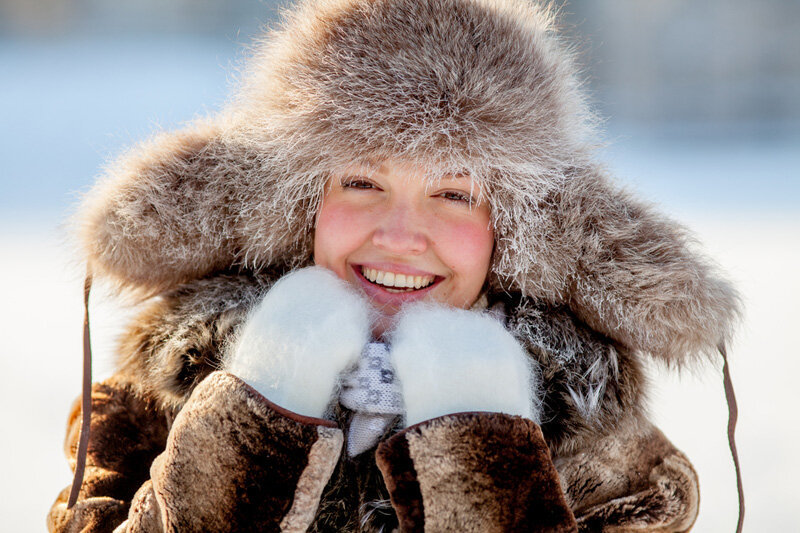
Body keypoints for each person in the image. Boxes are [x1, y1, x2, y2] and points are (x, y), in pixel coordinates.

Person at [48, 0, 740, 531]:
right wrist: (258, 408)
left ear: (516, 231)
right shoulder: (149, 406)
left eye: (453, 193)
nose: (403, 234)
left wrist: (482, 437)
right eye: (361, 183)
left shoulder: (614, 454)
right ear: (300, 204)